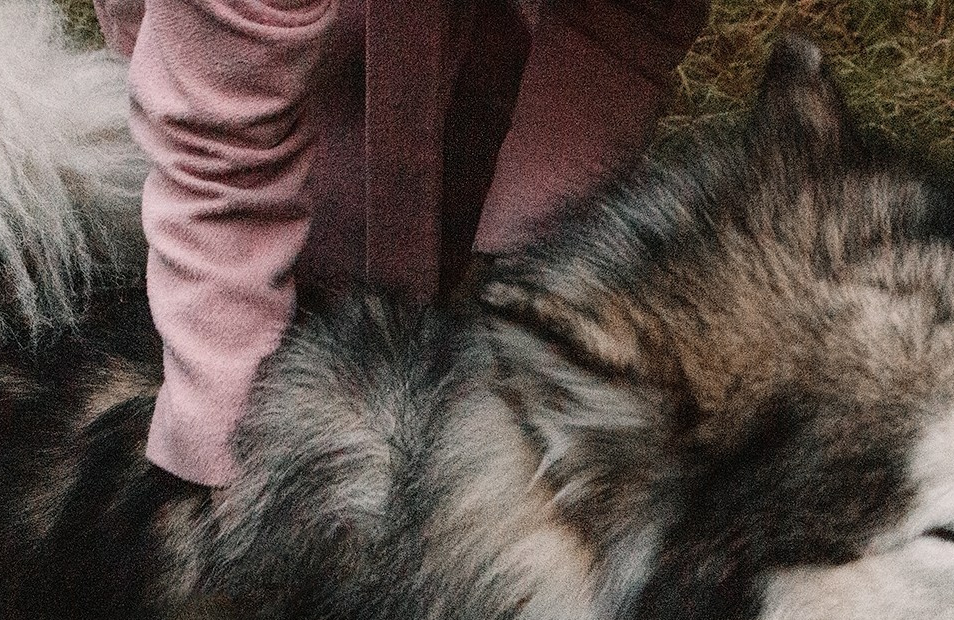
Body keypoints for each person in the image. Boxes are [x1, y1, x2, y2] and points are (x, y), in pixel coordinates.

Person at [92, 0, 710, 493]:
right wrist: (229, 465)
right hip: (247, 57)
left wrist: (516, 277)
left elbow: (614, 27)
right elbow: (219, 153)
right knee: (247, 318)